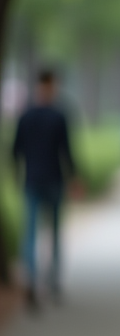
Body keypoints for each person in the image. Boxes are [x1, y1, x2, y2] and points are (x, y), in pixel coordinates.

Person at [12, 69, 76, 311]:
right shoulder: (59, 115)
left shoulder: (25, 115)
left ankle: (31, 278)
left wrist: (16, 174)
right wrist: (75, 178)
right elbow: (67, 150)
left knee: (30, 232)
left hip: (31, 179)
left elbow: (15, 150)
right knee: (55, 231)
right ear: (52, 86)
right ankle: (53, 281)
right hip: (55, 179)